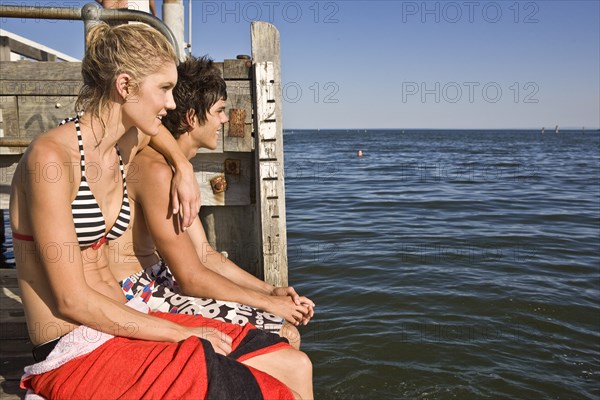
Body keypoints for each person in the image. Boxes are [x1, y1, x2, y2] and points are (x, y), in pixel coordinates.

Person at [10, 23, 312, 399]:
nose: (172, 104)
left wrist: (182, 167)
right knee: (264, 392)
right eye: (164, 89)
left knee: (293, 365)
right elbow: (72, 300)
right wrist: (183, 333)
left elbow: (156, 133)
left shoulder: (121, 146)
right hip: (75, 345)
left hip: (128, 320)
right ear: (125, 86)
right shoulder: (51, 160)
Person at [109, 56, 315, 350]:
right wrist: (272, 306)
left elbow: (206, 256)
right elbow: (192, 278)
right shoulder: (157, 171)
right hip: (137, 293)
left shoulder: (176, 168)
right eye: (219, 111)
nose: (224, 119)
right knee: (284, 333)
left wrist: (272, 291)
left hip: (159, 279)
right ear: (192, 118)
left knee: (279, 325)